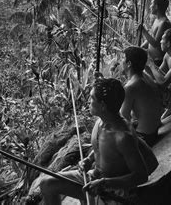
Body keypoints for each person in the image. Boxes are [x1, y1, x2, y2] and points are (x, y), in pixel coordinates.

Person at [40, 77, 157, 205]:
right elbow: (100, 149)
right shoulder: (100, 121)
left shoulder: (123, 137)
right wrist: (89, 160)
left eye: (92, 99)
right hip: (93, 178)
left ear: (102, 106)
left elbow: (141, 175)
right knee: (47, 183)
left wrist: (105, 183)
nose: (88, 102)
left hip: (112, 192)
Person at [120, 46, 163, 147]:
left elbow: (123, 119)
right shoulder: (146, 77)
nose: (121, 61)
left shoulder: (130, 87)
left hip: (145, 137)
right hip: (154, 130)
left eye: (123, 58)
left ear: (129, 64)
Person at [138, 0, 171, 67]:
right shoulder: (156, 20)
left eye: (152, 4)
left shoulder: (164, 23)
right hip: (152, 59)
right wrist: (140, 47)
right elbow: (151, 38)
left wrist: (143, 31)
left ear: (156, 6)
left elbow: (155, 43)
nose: (150, 6)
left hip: (159, 61)